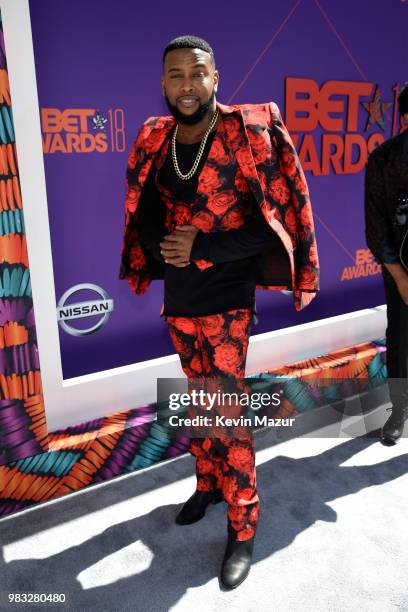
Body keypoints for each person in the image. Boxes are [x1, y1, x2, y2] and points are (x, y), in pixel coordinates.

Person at [119, 35, 319, 590]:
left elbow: (270, 224)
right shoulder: (154, 139)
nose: (186, 85)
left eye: (196, 73)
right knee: (198, 396)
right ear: (163, 83)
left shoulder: (248, 132)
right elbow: (149, 215)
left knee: (225, 410)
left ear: (216, 78)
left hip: (228, 297)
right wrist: (169, 245)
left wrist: (200, 247)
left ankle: (244, 523)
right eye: (175, 75)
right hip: (180, 297)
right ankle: (208, 484)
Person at [365, 82, 408, 445]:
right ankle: (400, 410)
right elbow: (376, 225)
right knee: (401, 339)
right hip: (401, 269)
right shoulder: (384, 160)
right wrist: (399, 275)